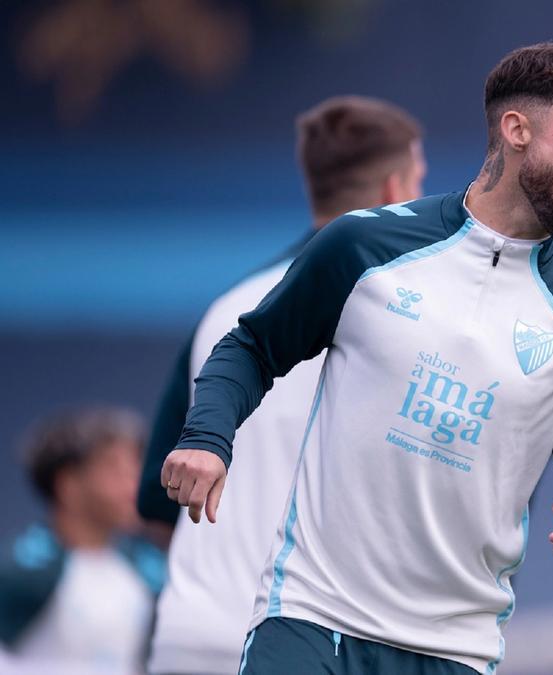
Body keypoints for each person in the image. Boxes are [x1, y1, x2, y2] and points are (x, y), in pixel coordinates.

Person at [159, 42, 553, 674]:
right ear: (516, 129)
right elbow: (250, 346)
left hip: (456, 651)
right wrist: (208, 437)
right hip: (312, 620)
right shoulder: (367, 244)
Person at [136, 95, 426, 675]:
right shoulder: (417, 323)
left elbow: (153, 508)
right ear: (396, 189)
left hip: (193, 640)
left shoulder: (226, 310)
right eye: (421, 180)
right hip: (316, 648)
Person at [0, 407, 164, 674]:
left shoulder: (149, 565)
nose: (132, 484)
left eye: (134, 467)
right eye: (113, 469)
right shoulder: (22, 569)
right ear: (68, 484)